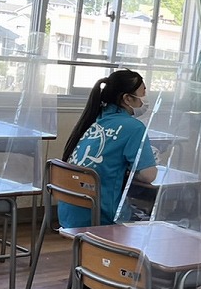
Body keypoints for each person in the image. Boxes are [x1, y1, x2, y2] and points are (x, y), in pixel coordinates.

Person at [58, 69, 157, 229]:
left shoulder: (94, 119)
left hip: (70, 214)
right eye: (143, 93)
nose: (145, 99)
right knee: (157, 219)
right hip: (101, 216)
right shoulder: (134, 127)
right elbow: (149, 175)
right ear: (127, 98)